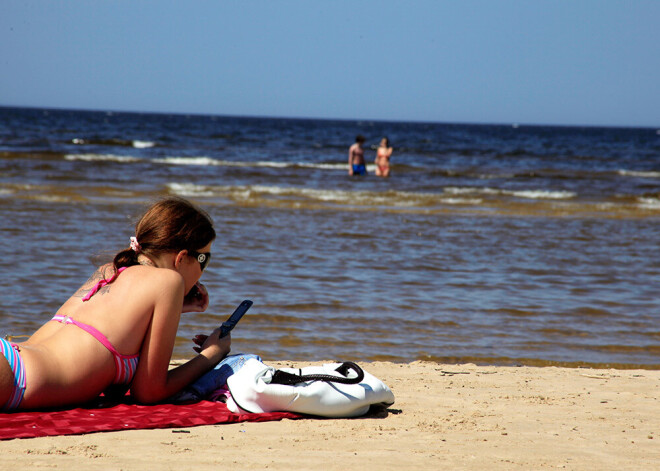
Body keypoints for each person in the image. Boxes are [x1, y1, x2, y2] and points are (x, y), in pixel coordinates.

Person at [0, 197, 231, 411]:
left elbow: (106, 340)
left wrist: (173, 309)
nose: (203, 272)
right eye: (204, 260)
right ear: (181, 258)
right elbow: (149, 392)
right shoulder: (170, 282)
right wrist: (212, 353)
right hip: (18, 378)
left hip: (12, 360)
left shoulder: (108, 271)